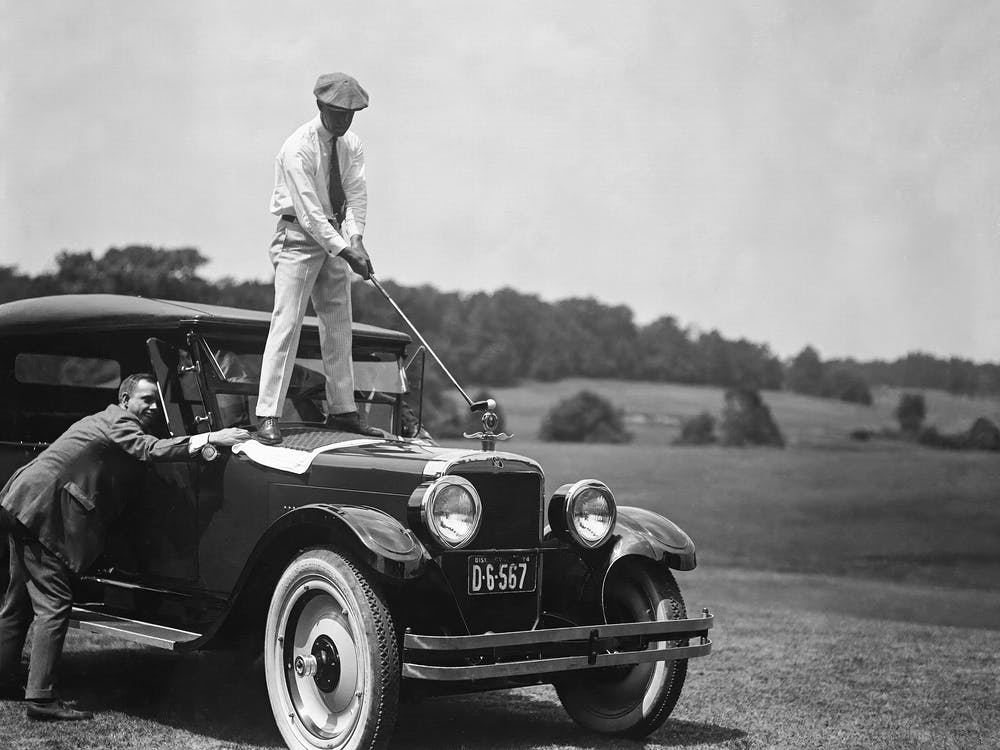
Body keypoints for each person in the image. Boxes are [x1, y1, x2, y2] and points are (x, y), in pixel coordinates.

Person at [0, 373, 249, 720]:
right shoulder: (119, 420)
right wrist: (211, 437)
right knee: (54, 604)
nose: (151, 405)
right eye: (144, 399)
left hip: (23, 502)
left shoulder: (105, 419)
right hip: (43, 510)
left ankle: (3, 679)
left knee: (17, 604)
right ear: (125, 399)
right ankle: (40, 700)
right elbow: (146, 449)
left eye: (154, 400)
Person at [255, 72, 381, 445]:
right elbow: (309, 212)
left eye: (351, 114)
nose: (345, 120)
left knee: (339, 325)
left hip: (335, 237)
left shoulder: (352, 143)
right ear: (321, 107)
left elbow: (356, 195)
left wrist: (355, 238)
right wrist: (346, 250)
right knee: (288, 322)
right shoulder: (298, 147)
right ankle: (267, 414)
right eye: (339, 113)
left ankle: (343, 411)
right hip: (297, 237)